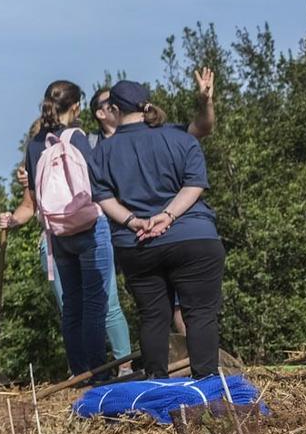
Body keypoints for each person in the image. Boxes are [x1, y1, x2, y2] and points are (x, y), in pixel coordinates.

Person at [90, 81, 225, 379]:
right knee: (200, 314)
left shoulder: (101, 152)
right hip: (193, 237)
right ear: (147, 104)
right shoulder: (178, 138)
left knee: (153, 317)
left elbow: (103, 197)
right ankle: (207, 390)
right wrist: (168, 216)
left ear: (113, 109)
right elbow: (195, 184)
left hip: (136, 244)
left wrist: (133, 221)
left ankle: (157, 388)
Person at [0, 80, 123, 379]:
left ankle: (79, 371)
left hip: (57, 233)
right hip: (89, 226)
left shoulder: (35, 144)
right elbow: (96, 183)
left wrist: (14, 219)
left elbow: (34, 199)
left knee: (72, 307)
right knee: (96, 303)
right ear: (77, 107)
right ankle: (99, 373)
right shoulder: (76, 137)